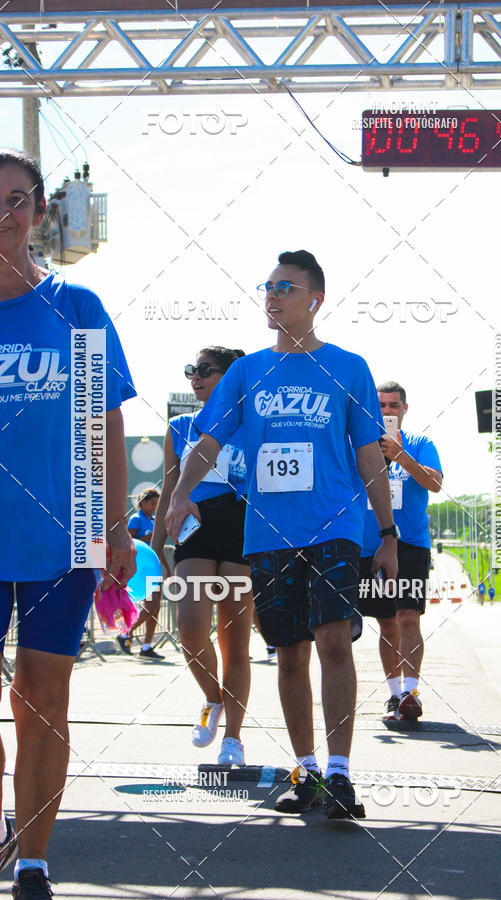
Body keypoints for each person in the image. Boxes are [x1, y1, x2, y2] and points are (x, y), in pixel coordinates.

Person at [165, 250, 398, 819]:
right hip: (267, 534)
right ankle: (309, 770)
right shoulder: (246, 373)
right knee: (289, 652)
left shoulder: (348, 368)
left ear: (315, 298)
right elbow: (209, 440)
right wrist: (180, 491)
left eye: (285, 287)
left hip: (335, 526)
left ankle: (341, 774)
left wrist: (386, 531)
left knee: (333, 641)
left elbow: (369, 454)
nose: (272, 295)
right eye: (267, 286)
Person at [0, 149, 136, 898]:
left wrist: (115, 527)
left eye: (17, 201)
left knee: (42, 694)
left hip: (66, 534)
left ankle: (34, 863)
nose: (4, 217)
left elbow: (102, 422)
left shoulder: (75, 308)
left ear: (41, 213)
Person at [152, 347, 252, 766]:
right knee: (191, 628)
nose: (195, 378)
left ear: (229, 377)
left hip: (241, 525)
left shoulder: (252, 422)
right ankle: (214, 700)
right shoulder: (179, 426)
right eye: (191, 370)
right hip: (194, 526)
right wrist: (154, 545)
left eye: (205, 371)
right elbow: (168, 488)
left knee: (235, 641)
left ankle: (233, 739)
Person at [356, 382, 443, 722]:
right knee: (387, 622)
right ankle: (394, 695)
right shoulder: (360, 447)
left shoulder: (420, 444)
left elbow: (435, 483)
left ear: (405, 409)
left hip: (411, 544)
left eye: (394, 405)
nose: (387, 411)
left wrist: (399, 455)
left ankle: (411, 692)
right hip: (370, 544)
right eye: (381, 406)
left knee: (409, 616)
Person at [117, 489, 171, 660]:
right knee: (152, 607)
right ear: (142, 503)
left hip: (153, 568)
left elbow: (156, 549)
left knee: (155, 609)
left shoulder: (154, 520)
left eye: (157, 503)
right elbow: (130, 541)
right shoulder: (136, 519)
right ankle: (126, 632)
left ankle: (146, 646)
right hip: (141, 570)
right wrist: (150, 537)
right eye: (152, 503)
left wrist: (166, 567)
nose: (155, 507)